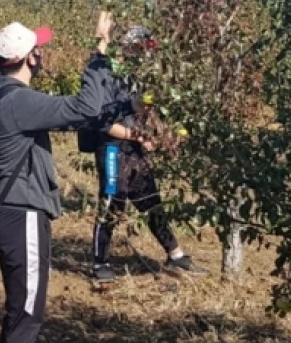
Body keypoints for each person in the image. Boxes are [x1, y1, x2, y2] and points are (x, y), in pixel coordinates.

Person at [0, 21, 138, 343]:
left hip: (10, 214)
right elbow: (86, 108)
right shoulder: (20, 101)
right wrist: (98, 51)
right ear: (28, 57)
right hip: (21, 216)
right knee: (27, 315)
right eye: (38, 50)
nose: (42, 55)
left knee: (19, 312)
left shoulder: (1, 95)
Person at [79, 14, 206, 284]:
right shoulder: (109, 74)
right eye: (140, 49)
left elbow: (143, 112)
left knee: (150, 198)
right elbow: (104, 124)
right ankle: (100, 261)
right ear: (128, 48)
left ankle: (176, 253)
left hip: (133, 146)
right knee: (112, 203)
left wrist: (165, 135)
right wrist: (140, 136)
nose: (145, 55)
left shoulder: (137, 78)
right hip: (111, 147)